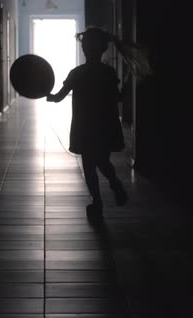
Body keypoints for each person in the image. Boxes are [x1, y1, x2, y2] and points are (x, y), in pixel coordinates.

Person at [46, 27, 131, 219]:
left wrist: (46, 94)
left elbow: (59, 97)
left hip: (83, 125)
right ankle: (114, 183)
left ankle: (98, 202)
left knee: (89, 166)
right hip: (105, 124)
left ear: (84, 49)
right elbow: (117, 97)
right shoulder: (108, 72)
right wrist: (126, 86)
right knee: (102, 159)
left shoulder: (77, 73)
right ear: (102, 49)